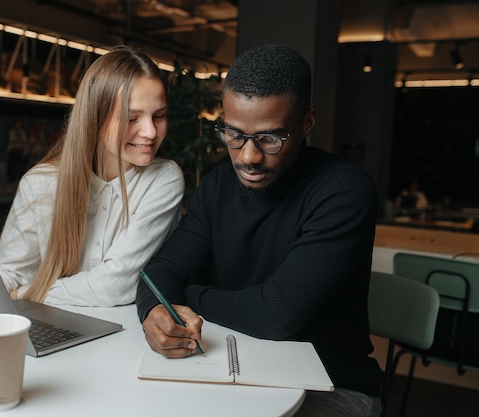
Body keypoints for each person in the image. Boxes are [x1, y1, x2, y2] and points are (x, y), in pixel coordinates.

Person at [136, 44, 382, 417]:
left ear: (307, 123)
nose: (248, 156)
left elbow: (276, 314)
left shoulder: (344, 191)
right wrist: (155, 309)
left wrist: (188, 294)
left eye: (270, 138)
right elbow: (160, 271)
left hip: (333, 388)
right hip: (236, 370)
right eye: (234, 134)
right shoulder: (218, 185)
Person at [0, 45, 185, 307]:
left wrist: (27, 294)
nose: (150, 132)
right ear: (95, 119)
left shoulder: (164, 179)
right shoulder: (40, 182)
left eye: (158, 116)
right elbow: (12, 272)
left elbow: (117, 284)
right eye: (132, 118)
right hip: (51, 328)